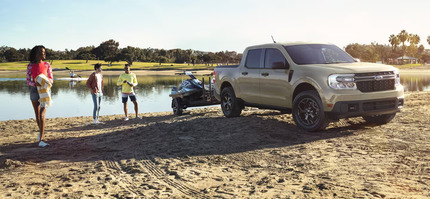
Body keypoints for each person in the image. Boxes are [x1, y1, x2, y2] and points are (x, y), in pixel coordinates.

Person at [26, 45, 53, 147]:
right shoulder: (30, 66)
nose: (44, 54)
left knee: (42, 115)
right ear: (37, 53)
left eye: (44, 52)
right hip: (34, 90)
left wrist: (45, 82)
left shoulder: (47, 65)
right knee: (37, 115)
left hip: (45, 91)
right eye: (42, 52)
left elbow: (51, 79)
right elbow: (28, 80)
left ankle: (41, 139)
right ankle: (41, 133)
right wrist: (35, 84)